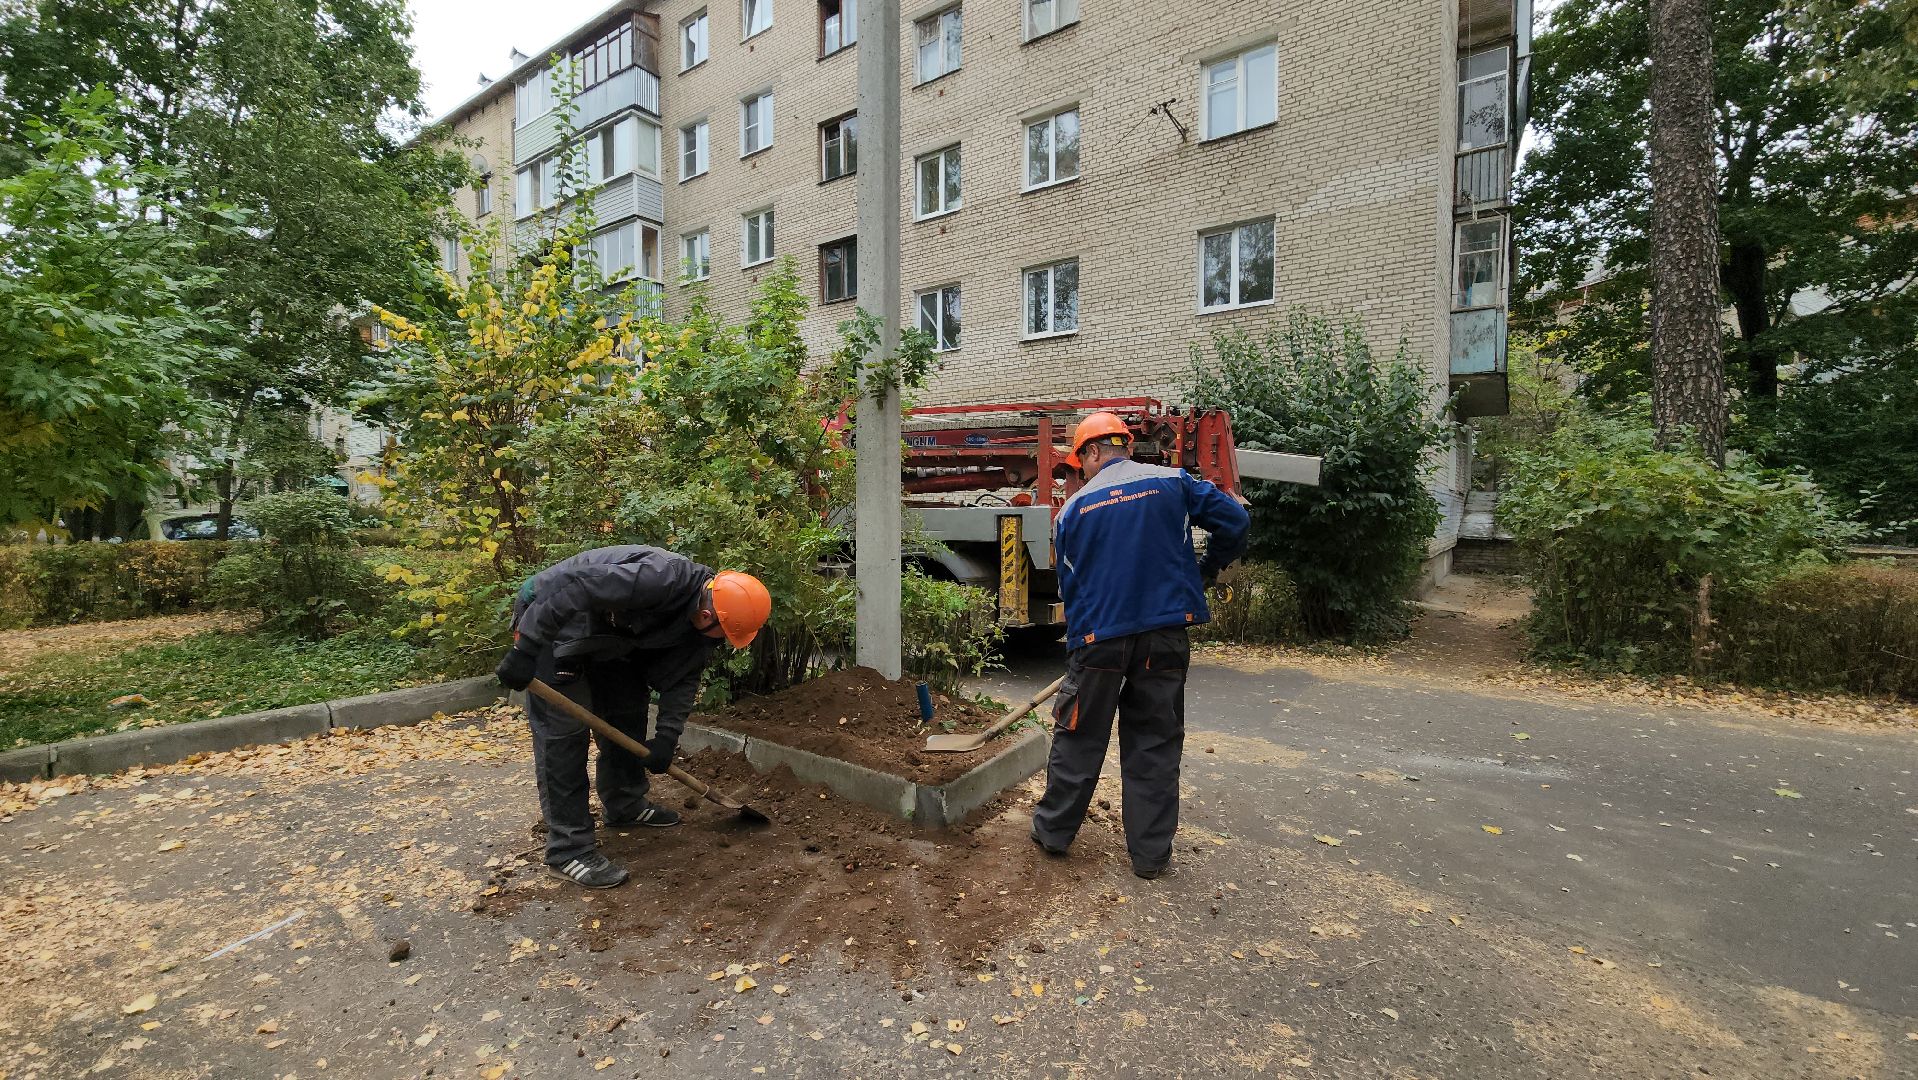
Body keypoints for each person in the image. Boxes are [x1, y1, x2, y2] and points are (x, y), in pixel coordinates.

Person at [1030, 412, 1251, 880]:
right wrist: (1208, 567)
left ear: (1091, 453)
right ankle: (1150, 858)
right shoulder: (1174, 483)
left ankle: (1052, 835)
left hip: (1098, 643)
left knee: (1079, 737)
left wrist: (1082, 643)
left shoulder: (1073, 511)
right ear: (1125, 446)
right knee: (1154, 741)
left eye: (1078, 463)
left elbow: (1070, 586)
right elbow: (1235, 519)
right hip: (1165, 635)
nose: (1080, 473)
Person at [494, 546, 771, 888]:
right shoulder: (661, 578)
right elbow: (575, 586)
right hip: (553, 617)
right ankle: (568, 850)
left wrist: (667, 737)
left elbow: (683, 677)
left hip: (607, 637)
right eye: (726, 634)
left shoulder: (706, 620)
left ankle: (624, 802)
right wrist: (526, 649)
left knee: (628, 709)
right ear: (706, 615)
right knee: (564, 735)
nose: (726, 642)